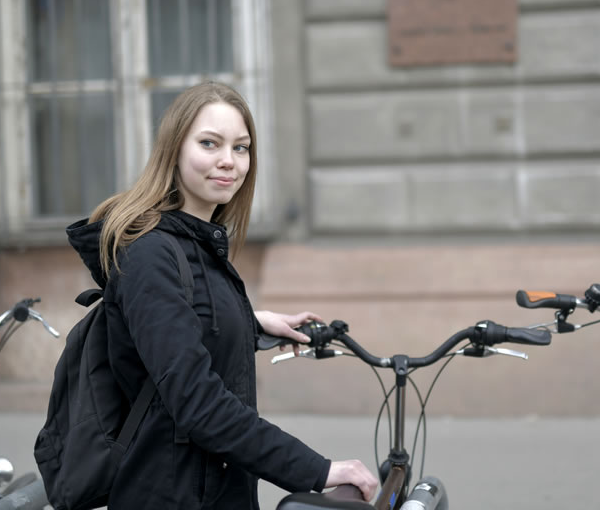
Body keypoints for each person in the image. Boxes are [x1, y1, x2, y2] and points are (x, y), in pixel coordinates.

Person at [66, 82, 378, 509]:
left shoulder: (199, 243)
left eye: (241, 147)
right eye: (210, 144)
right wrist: (317, 470)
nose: (228, 162)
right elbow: (197, 403)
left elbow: (184, 322)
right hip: (169, 495)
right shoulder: (151, 253)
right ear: (174, 150)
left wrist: (251, 321)